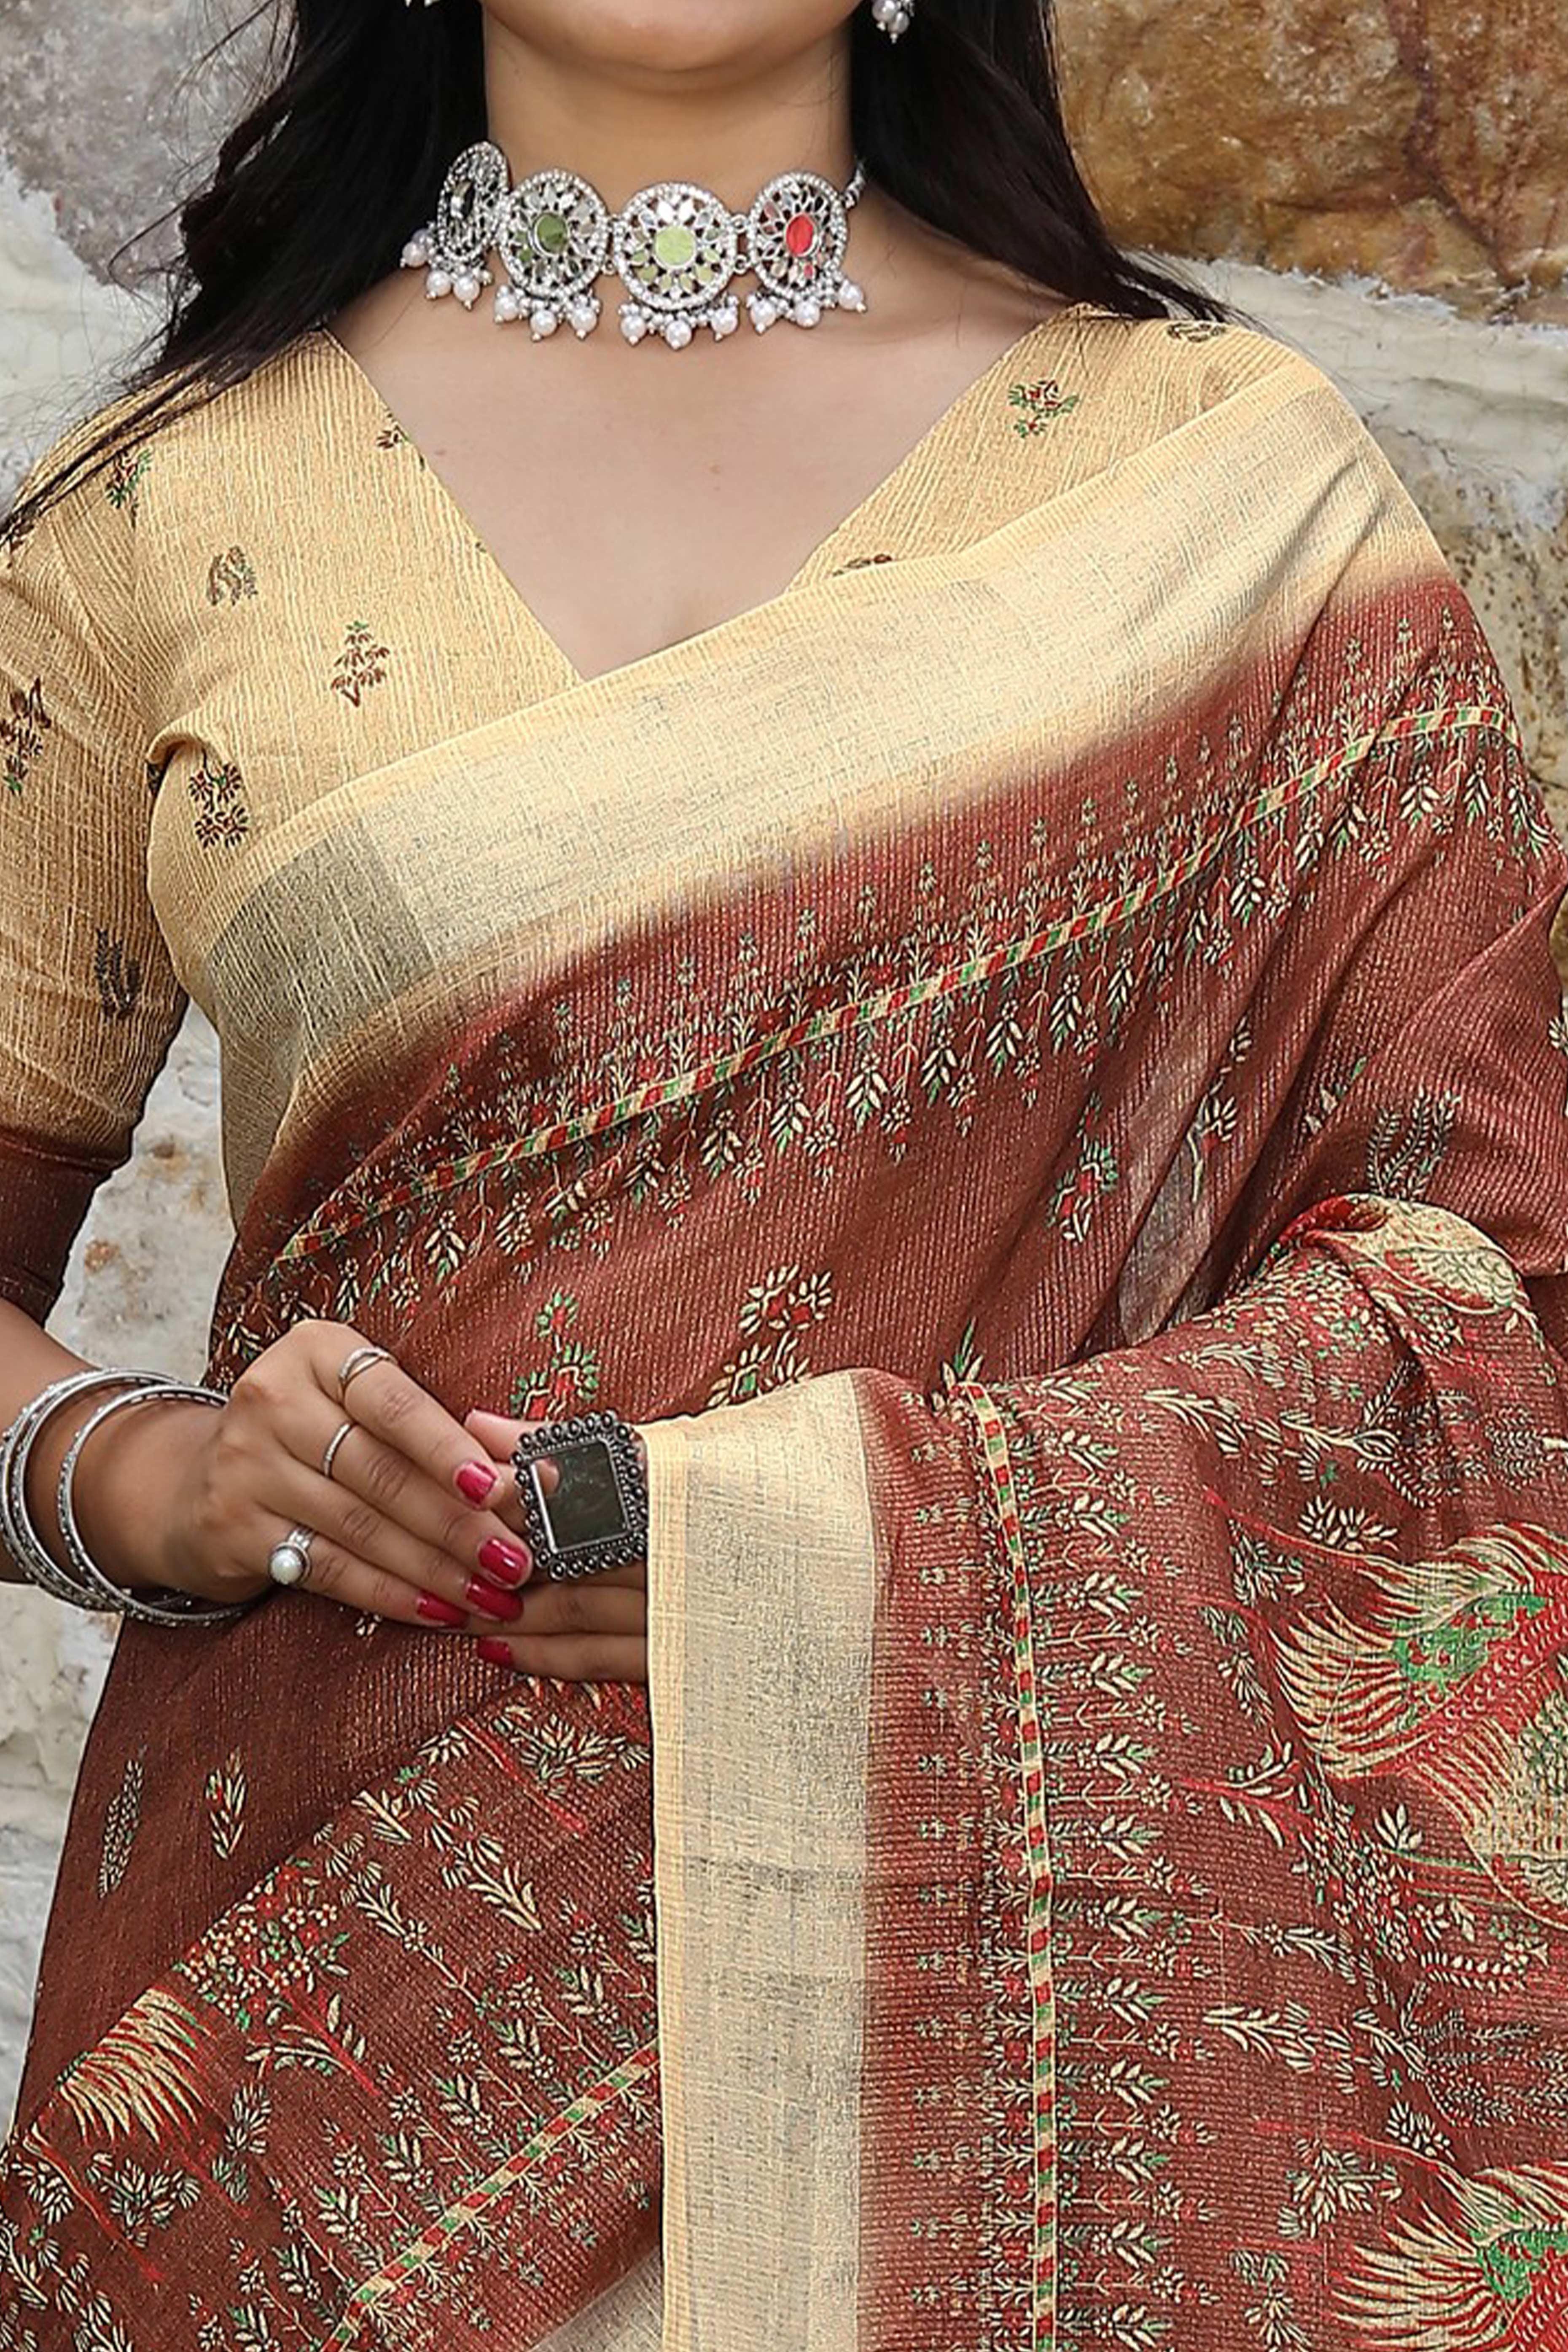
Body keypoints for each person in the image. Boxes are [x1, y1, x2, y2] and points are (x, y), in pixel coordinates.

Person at [3, 0, 1568, 2344]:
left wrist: (829, 1550)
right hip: (329, 2056)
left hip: (1013, 2019)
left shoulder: (1228, 498)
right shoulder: (166, 510)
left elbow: (1499, 1309)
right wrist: (166, 1477)